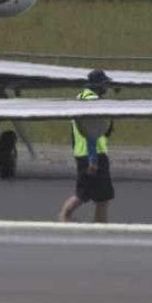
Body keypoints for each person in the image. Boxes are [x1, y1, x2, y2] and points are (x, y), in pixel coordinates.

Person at [59, 69, 115, 223]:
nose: (106, 88)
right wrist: (93, 158)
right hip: (94, 154)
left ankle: (68, 217)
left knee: (87, 193)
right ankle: (67, 217)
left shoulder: (79, 98)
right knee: (99, 197)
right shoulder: (93, 102)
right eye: (104, 85)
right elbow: (92, 130)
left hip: (81, 152)